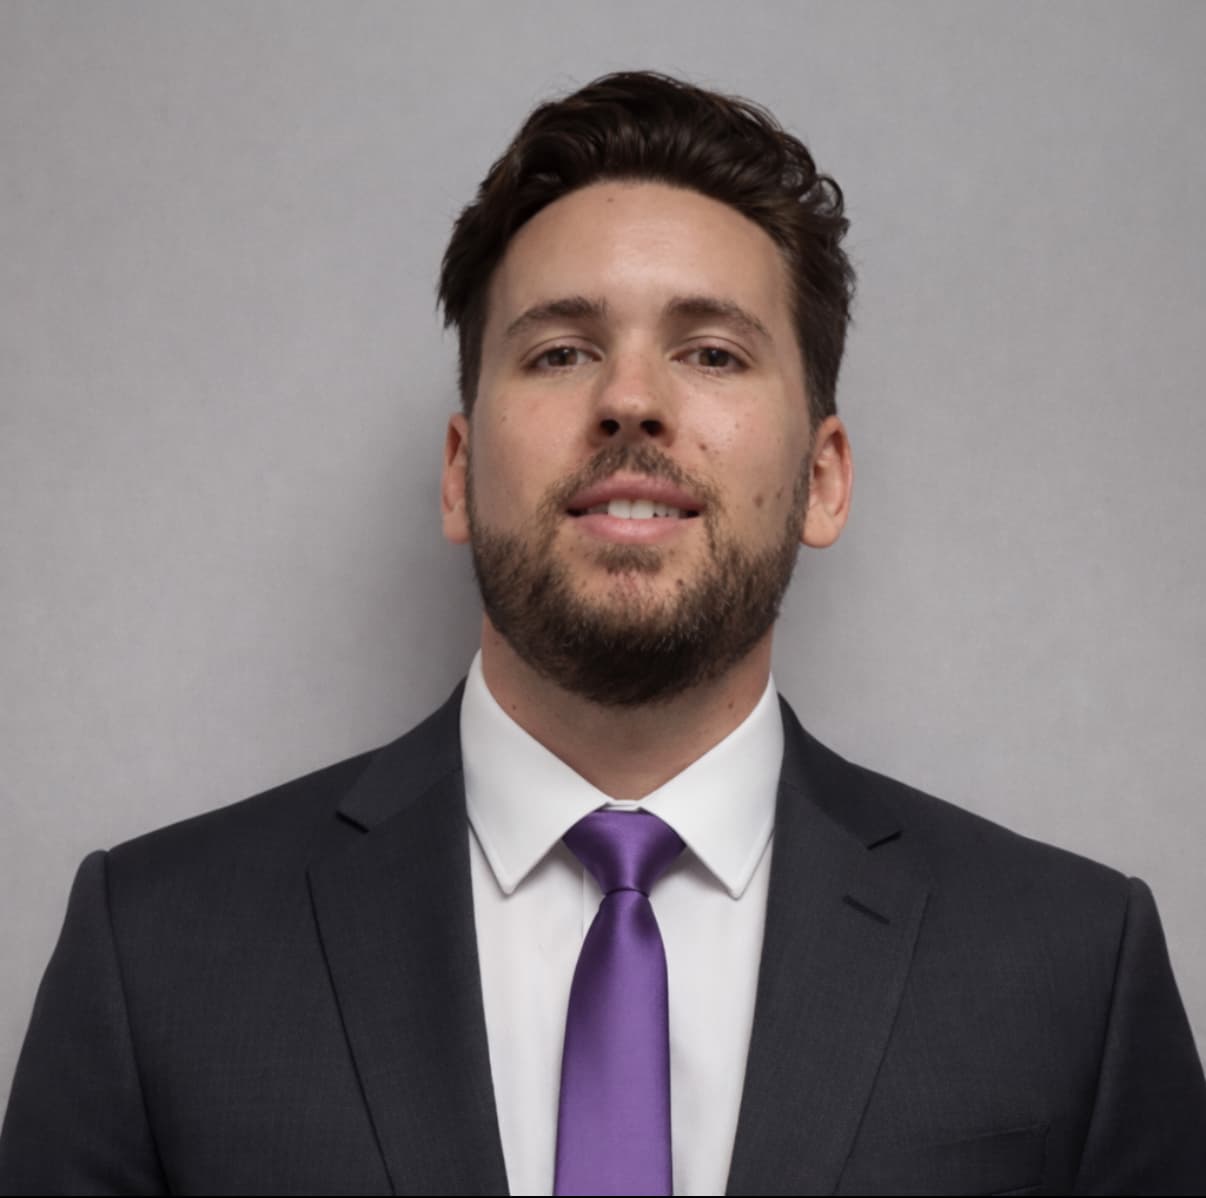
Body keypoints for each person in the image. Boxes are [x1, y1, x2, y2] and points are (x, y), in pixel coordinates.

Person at [1, 69, 1203, 1197]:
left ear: (826, 478)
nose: (631, 399)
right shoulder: (154, 953)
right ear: (462, 473)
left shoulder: (1071, 968)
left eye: (713, 351)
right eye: (563, 349)